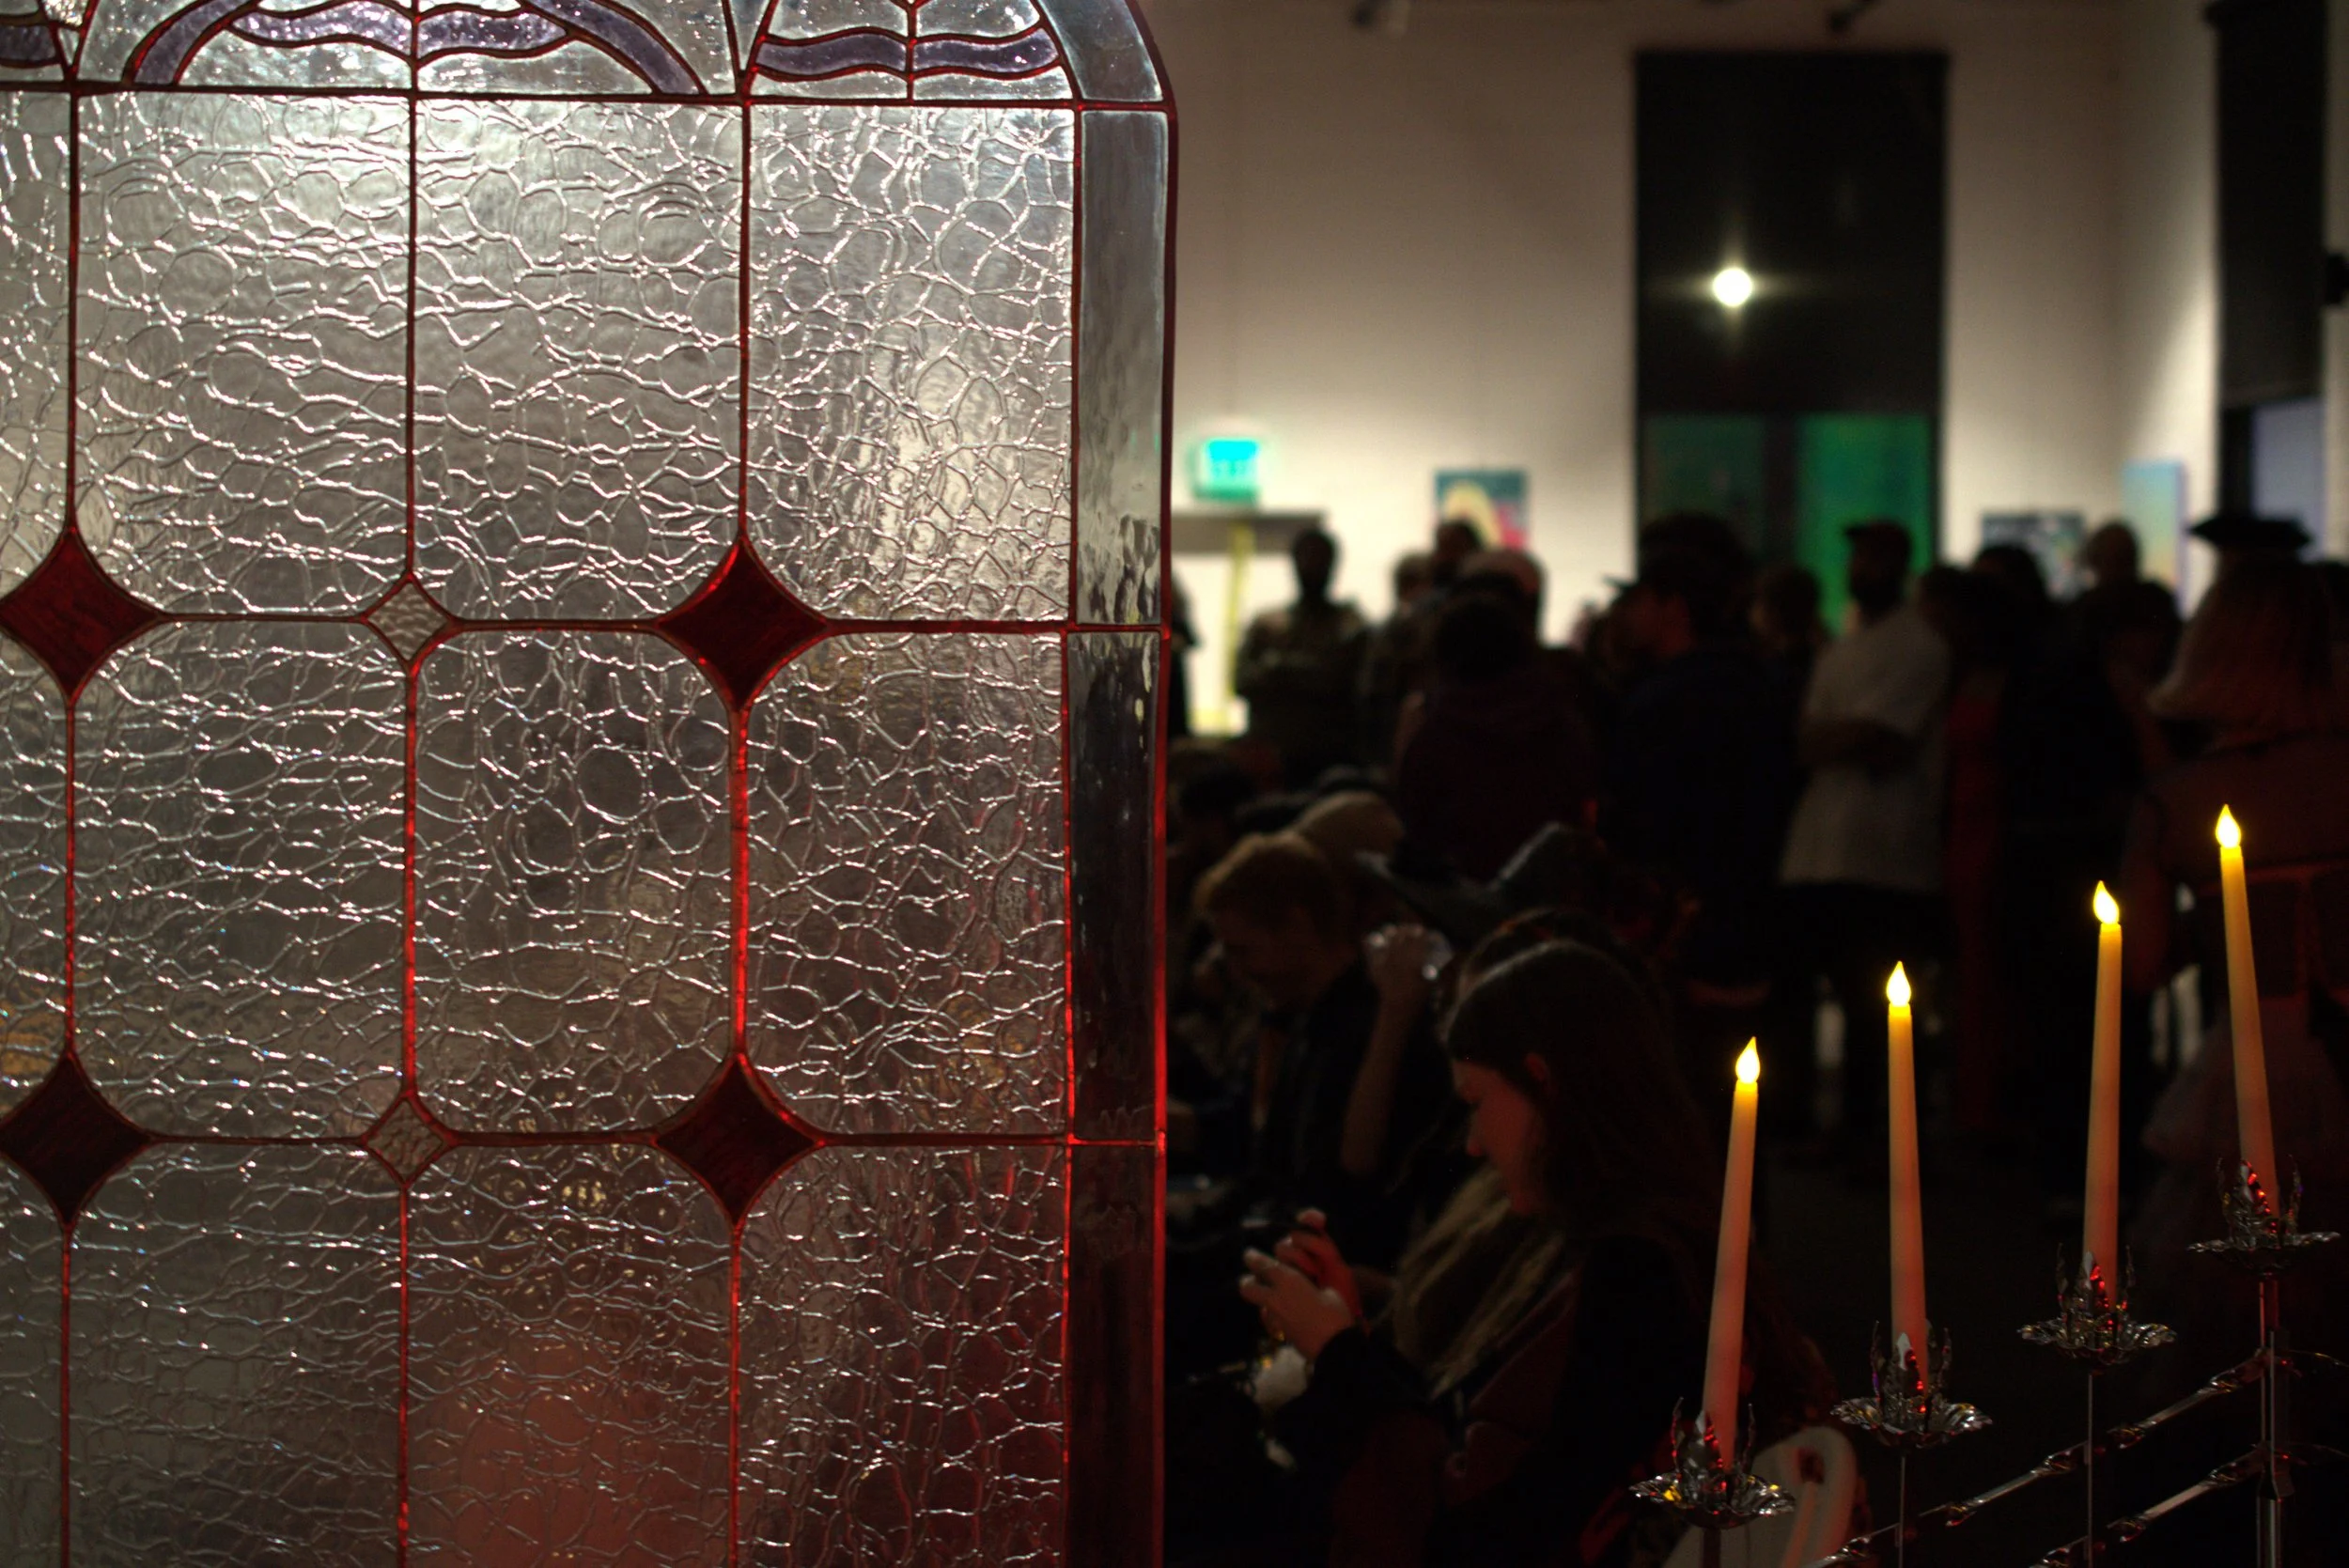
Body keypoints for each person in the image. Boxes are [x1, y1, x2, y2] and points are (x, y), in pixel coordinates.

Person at [1237, 942, 1828, 1568]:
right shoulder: (1620, 1239)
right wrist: (1349, 1330)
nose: (1471, 1145)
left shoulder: (1641, 1275)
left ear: (1542, 1081)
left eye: (1476, 1101)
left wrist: (1340, 1356)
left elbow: (1505, 1529)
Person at [1773, 521, 1951, 1165]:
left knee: (1877, 1007)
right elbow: (1811, 738)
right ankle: (1851, 1126)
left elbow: (1883, 737)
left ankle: (1882, 1132)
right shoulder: (1843, 649)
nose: (1861, 565)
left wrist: (1841, 736)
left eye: (1874, 554)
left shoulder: (1919, 646)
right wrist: (1845, 737)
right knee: (1847, 1001)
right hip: (1829, 849)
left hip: (1886, 856)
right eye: (1857, 554)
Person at [1602, 522, 1798, 1094]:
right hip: (1746, 912)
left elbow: (1642, 820)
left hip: (1677, 926)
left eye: (1640, 599)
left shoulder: (1663, 700)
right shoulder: (1757, 683)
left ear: (1673, 607)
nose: (1627, 614)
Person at [1395, 584, 1599, 881]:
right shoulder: (1561, 721)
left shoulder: (1435, 735)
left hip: (1457, 906)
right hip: (1553, 899)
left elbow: (1417, 829)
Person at [1236, 528, 1370, 787]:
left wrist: (1281, 669)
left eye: (1319, 559)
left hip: (1330, 754)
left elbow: (1343, 682)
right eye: (1306, 558)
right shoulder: (1266, 625)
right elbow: (1243, 682)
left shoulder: (1350, 626)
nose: (1312, 567)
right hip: (1272, 757)